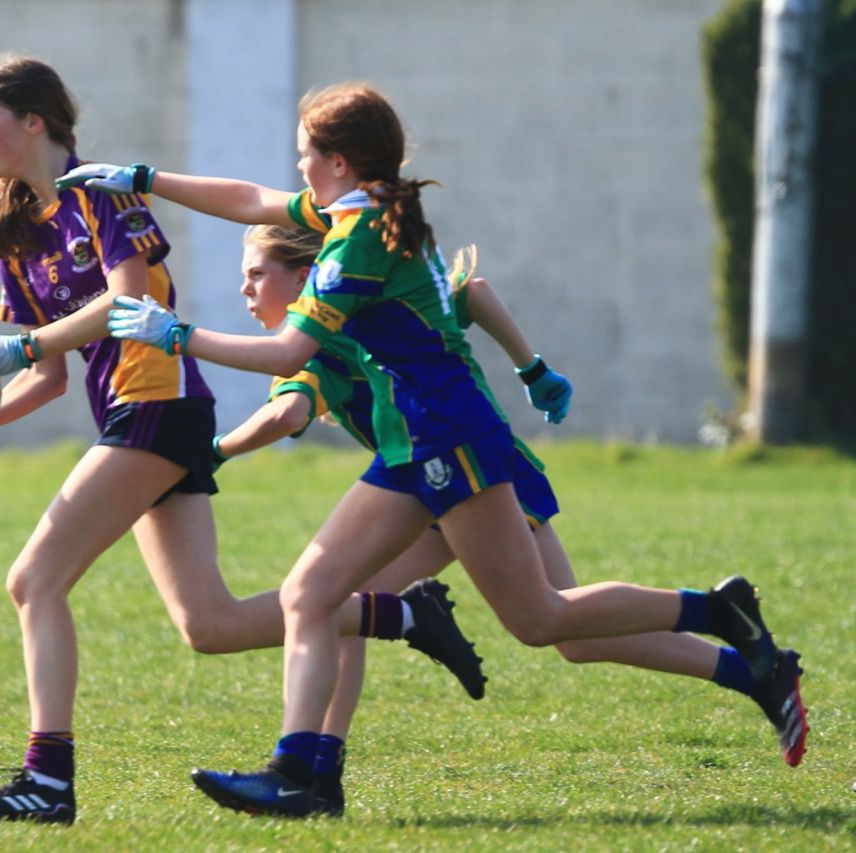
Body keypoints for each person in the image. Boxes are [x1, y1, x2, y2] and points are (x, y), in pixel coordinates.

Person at [59, 81, 808, 816]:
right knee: (319, 595)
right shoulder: (359, 213)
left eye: (305, 157)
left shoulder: (360, 240)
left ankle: (716, 612)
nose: (298, 173)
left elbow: (290, 351)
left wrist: (177, 335)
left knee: (541, 619)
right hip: (415, 445)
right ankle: (303, 774)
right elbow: (251, 201)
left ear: (342, 162)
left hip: (448, 437)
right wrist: (145, 179)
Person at [0, 54, 485, 827]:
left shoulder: (100, 195)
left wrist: (16, 348)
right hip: (136, 414)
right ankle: (400, 615)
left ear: (33, 121)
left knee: (33, 581)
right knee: (209, 625)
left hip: (156, 405)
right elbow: (51, 377)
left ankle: (47, 779)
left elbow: (126, 303)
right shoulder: (17, 230)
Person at [219, 225, 807, 814]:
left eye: (255, 274)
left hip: (468, 473)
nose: (244, 288)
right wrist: (532, 369)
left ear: (301, 277)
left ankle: (314, 773)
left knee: (544, 622)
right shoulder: (365, 302)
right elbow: (470, 292)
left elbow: (286, 414)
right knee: (362, 608)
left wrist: (212, 448)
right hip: (436, 481)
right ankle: (317, 773)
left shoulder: (321, 338)